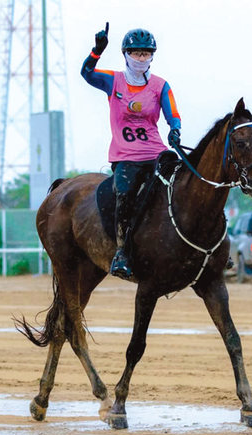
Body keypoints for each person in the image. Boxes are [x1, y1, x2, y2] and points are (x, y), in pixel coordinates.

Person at [81, 23, 182, 280]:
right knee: (124, 194)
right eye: (136, 53)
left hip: (156, 151)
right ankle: (123, 252)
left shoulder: (160, 85)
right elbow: (87, 73)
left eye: (146, 53)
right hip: (126, 156)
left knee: (185, 184)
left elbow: (173, 113)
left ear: (152, 56)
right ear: (126, 54)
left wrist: (175, 129)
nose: (141, 58)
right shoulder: (112, 80)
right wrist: (96, 50)